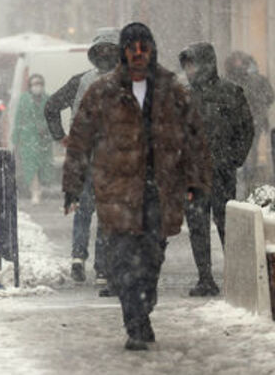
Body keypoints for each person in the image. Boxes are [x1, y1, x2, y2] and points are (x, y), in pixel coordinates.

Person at [62, 22, 211, 350]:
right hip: (117, 192)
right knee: (123, 261)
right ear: (124, 52)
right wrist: (72, 185)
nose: (139, 55)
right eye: (132, 48)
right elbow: (80, 139)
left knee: (151, 258)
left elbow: (194, 140)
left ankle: (144, 305)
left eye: (144, 48)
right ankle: (136, 322)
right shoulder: (102, 91)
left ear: (152, 50)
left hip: (159, 192)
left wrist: (196, 182)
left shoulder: (172, 90)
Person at [179, 42, 255, 297]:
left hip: (221, 171)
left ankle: (236, 276)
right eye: (186, 65)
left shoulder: (231, 92)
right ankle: (205, 278)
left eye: (192, 64)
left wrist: (233, 159)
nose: (189, 70)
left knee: (226, 224)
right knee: (198, 226)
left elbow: (245, 129)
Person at [46, 27, 120, 286]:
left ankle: (78, 258)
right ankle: (101, 267)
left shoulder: (80, 80)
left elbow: (51, 106)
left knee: (83, 209)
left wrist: (61, 136)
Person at [223, 51, 275, 178]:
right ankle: (248, 174)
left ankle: (244, 173)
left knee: (243, 147)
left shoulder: (228, 81)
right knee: (251, 148)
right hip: (253, 120)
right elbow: (270, 97)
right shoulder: (257, 80)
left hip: (241, 121)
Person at [12, 73, 53, 205]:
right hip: (28, 138)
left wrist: (47, 129)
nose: (37, 87)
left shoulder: (48, 99)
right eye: (35, 84)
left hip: (44, 139)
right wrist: (15, 139)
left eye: (40, 83)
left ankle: (39, 188)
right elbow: (18, 118)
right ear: (30, 86)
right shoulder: (24, 100)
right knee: (31, 166)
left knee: (43, 166)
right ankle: (35, 191)